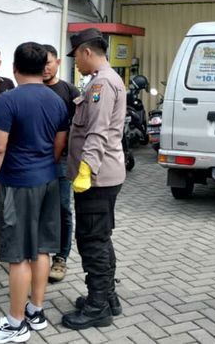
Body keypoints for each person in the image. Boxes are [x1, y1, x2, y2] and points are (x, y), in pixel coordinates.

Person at [0, 42, 69, 344]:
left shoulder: (7, 100)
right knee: (41, 248)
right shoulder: (57, 100)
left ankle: (16, 324)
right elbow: (59, 144)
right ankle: (35, 311)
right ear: (44, 67)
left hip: (19, 182)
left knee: (17, 256)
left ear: (13, 68)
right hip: (50, 180)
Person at [61, 28, 127, 331]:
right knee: (100, 237)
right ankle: (108, 297)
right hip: (103, 176)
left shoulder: (101, 83)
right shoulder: (102, 80)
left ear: (87, 51)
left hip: (97, 178)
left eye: (76, 56)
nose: (76, 63)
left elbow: (98, 131)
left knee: (91, 240)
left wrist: (85, 170)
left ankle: (98, 306)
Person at [42, 44, 80, 283]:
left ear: (57, 63)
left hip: (62, 161)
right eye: (41, 63)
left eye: (49, 62)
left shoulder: (69, 91)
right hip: (36, 160)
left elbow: (78, 127)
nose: (45, 68)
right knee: (39, 208)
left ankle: (61, 257)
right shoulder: (30, 89)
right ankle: (39, 255)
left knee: (63, 208)